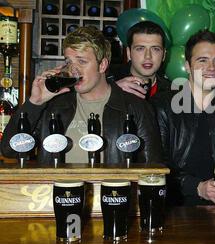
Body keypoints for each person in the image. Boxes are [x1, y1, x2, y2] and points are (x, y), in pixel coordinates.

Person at [1, 26, 162, 165]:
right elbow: (9, 150)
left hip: (111, 197)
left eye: (82, 62)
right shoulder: (53, 106)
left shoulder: (135, 108)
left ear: (102, 65)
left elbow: (151, 170)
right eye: (69, 61)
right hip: (56, 197)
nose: (73, 69)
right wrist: (35, 102)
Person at [152, 30, 215, 206]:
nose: (211, 68)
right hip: (176, 211)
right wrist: (197, 187)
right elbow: (154, 166)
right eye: (202, 60)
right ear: (187, 66)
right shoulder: (163, 105)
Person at [107, 20, 171, 99]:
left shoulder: (173, 92)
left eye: (155, 49)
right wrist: (109, 93)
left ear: (164, 55)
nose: (148, 56)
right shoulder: (106, 81)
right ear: (128, 53)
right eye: (140, 48)